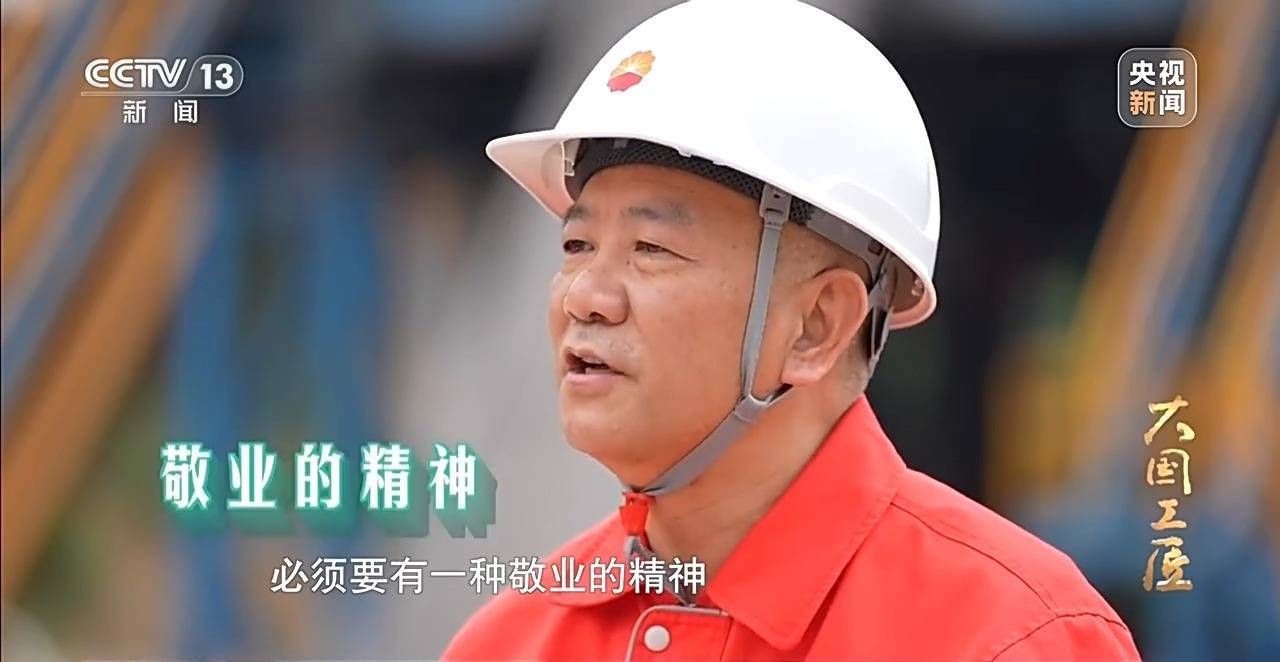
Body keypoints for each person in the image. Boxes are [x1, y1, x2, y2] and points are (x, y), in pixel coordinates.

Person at [444, 0, 1141, 659]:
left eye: (651, 248)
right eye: (577, 246)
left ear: (817, 324)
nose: (585, 296)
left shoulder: (1010, 638)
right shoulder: (510, 642)